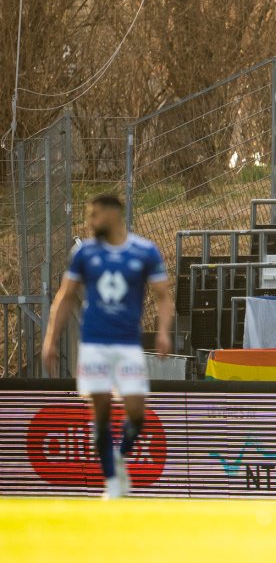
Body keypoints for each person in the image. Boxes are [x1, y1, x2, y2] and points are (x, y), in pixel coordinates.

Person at [42, 193, 173, 499]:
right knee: (100, 412)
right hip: (94, 344)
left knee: (137, 413)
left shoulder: (145, 250)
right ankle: (112, 481)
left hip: (128, 344)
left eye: (96, 214)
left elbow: (163, 295)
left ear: (115, 214)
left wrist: (164, 331)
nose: (91, 220)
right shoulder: (84, 253)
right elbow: (65, 297)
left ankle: (119, 456)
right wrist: (50, 339)